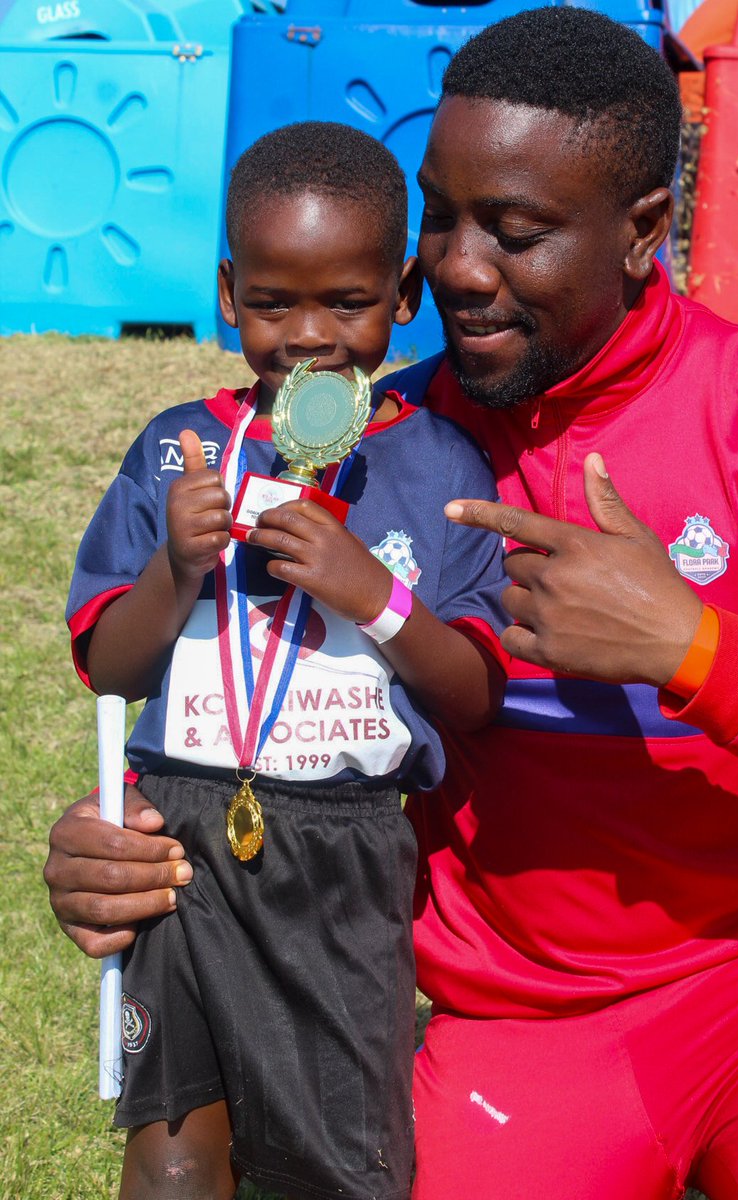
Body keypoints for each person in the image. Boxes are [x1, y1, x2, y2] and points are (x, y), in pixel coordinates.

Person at [47, 9, 738, 1199]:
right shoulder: (357, 438)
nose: (454, 267)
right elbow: (237, 699)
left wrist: (696, 648)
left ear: (643, 231)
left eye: (514, 231)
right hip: (514, 1024)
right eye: (440, 214)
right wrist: (125, 846)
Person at [62, 120, 507, 1200]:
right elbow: (112, 668)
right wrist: (175, 567)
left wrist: (374, 595)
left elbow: (475, 693)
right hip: (181, 835)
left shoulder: (439, 460)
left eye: (346, 303)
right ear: (226, 292)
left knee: (341, 1163)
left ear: (402, 294)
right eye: (272, 303)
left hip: (344, 854)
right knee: (171, 1145)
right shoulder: (181, 448)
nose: (308, 337)